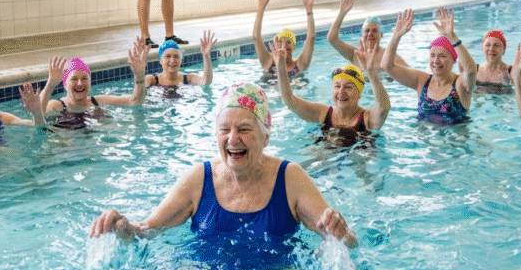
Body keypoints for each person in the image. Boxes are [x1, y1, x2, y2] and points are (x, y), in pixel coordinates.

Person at [89, 82, 357, 250]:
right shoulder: (198, 179)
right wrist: (122, 227)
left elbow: (346, 241)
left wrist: (341, 233)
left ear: (266, 136)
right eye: (224, 129)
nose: (232, 139)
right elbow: (146, 231)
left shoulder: (290, 179)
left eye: (244, 129)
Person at [273, 39, 390, 140]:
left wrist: (371, 72)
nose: (341, 92)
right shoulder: (323, 113)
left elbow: (384, 107)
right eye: (337, 86)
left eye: (348, 87)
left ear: (359, 94)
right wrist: (280, 66)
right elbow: (289, 100)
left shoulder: (366, 118)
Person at [380, 8, 477, 125]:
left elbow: (471, 71)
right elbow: (387, 66)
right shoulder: (422, 81)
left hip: (454, 142)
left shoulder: (459, 84)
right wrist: (396, 36)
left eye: (442, 56)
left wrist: (453, 37)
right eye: (432, 55)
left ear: (453, 60)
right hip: (423, 140)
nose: (436, 61)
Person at [39, 40, 148, 129]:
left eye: (84, 78)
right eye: (74, 79)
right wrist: (50, 85)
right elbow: (38, 115)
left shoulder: (98, 102)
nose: (80, 83)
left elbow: (135, 101)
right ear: (65, 84)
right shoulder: (56, 105)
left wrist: (139, 76)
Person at [327, 0, 405, 69]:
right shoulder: (355, 54)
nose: (370, 34)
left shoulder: (391, 57)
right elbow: (332, 38)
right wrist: (342, 13)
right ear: (362, 34)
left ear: (381, 34)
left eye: (374, 30)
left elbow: (413, 78)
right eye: (367, 31)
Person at [253, 0, 316, 81]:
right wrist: (261, 7)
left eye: (288, 42)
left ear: (294, 47)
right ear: (275, 45)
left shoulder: (300, 65)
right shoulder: (268, 63)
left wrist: (309, 10)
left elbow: (311, 38)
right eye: (280, 42)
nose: (284, 46)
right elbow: (256, 38)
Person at [145, 31, 216, 87]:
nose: (172, 60)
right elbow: (140, 90)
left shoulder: (189, 79)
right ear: (160, 60)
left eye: (176, 56)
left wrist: (206, 55)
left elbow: (206, 81)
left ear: (181, 60)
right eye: (168, 56)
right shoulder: (151, 80)